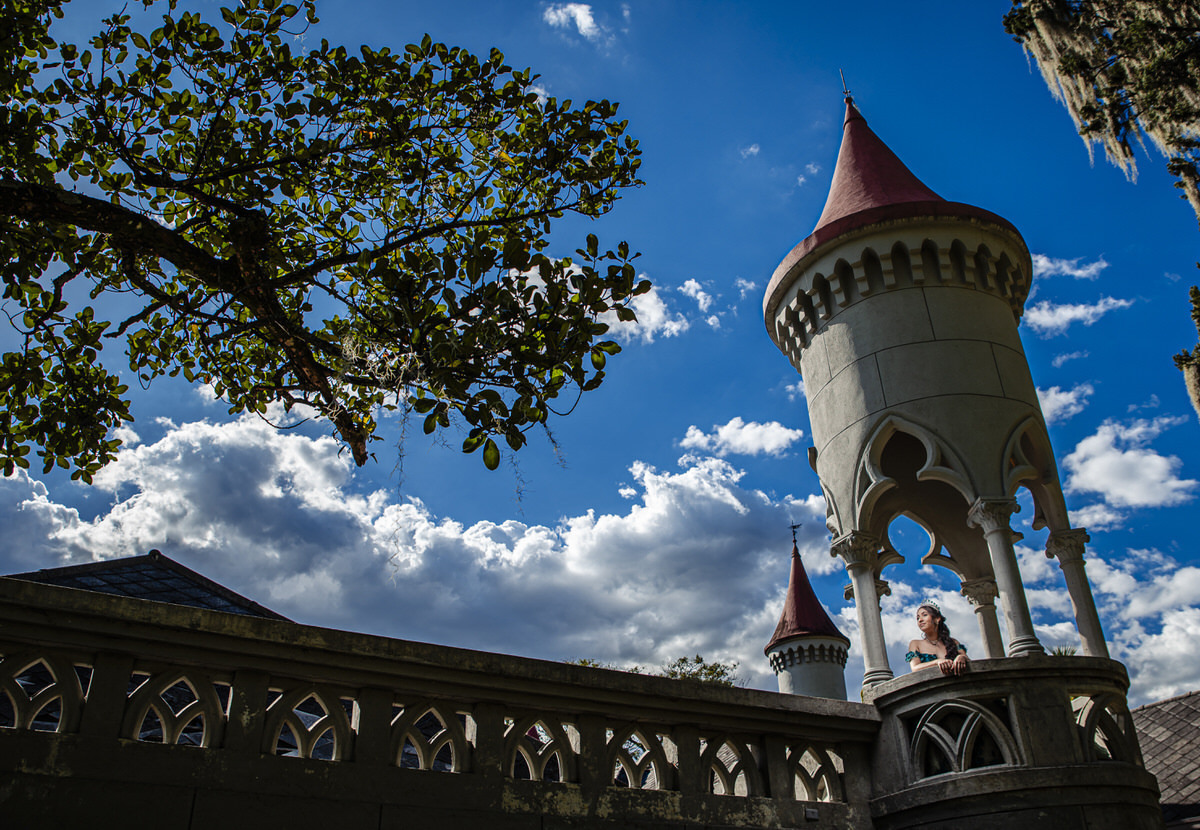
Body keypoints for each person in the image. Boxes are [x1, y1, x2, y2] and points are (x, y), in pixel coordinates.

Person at [906, 599, 969, 676]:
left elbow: (969, 660)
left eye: (925, 615)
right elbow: (915, 668)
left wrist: (961, 657)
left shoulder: (953, 642)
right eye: (918, 618)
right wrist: (937, 662)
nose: (920, 620)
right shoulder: (915, 643)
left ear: (937, 619)